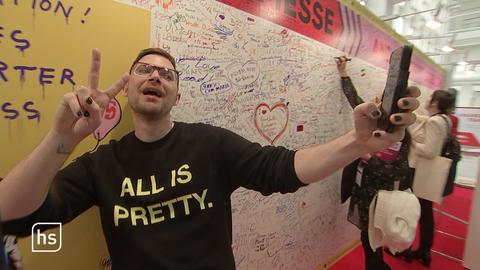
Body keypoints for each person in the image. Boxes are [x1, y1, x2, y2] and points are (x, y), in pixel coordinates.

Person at [0, 48, 419, 270]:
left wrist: (357, 143)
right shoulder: (101, 164)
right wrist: (60, 138)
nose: (154, 76)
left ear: (177, 95)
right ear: (126, 93)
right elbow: (15, 218)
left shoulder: (210, 144)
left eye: (166, 73)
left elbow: (284, 169)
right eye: (144, 69)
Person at [336, 56, 414, 270]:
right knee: (367, 238)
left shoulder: (400, 136)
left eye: (384, 98)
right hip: (361, 191)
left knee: (371, 240)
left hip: (379, 198)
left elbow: (399, 172)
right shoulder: (373, 122)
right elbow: (356, 102)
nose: (379, 100)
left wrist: (370, 159)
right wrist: (343, 73)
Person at [404, 90, 456, 267]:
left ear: (434, 102)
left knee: (413, 210)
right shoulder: (444, 119)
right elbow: (424, 120)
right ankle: (424, 251)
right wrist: (410, 114)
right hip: (426, 172)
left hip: (419, 171)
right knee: (426, 212)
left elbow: (429, 151)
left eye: (429, 98)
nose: (426, 99)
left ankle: (406, 249)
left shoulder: (435, 121)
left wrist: (410, 139)